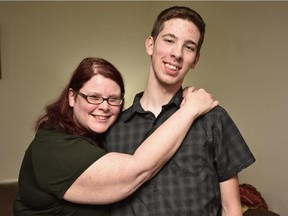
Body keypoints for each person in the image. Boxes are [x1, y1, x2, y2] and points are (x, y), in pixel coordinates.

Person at [13, 57, 218, 215]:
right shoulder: (53, 147)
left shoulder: (99, 135)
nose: (104, 107)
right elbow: (136, 171)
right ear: (72, 97)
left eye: (113, 99)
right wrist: (190, 110)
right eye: (93, 97)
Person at [105, 6, 256, 216]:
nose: (176, 53)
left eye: (189, 47)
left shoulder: (213, 119)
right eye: (169, 40)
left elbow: (231, 208)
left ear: (195, 59)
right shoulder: (111, 127)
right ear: (150, 45)